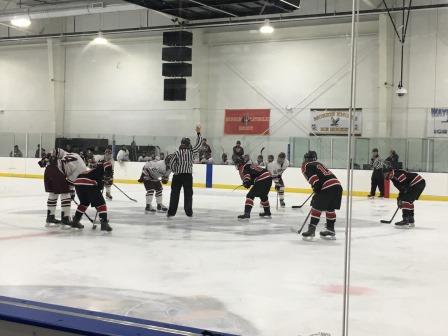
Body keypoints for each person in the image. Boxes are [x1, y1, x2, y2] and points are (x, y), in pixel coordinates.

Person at [301, 151, 343, 241]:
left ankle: (311, 230)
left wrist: (316, 187)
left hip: (326, 187)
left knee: (316, 207)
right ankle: (330, 229)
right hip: (337, 186)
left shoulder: (306, 165)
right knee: (330, 209)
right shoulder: (319, 163)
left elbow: (314, 178)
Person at [167, 125, 203, 218]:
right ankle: (188, 212)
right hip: (187, 176)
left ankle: (171, 212)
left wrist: (175, 171)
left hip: (177, 176)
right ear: (188, 144)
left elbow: (171, 164)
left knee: (174, 194)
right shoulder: (192, 152)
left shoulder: (177, 153)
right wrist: (198, 133)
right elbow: (199, 144)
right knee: (188, 194)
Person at [383, 163, 425, 228]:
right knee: (408, 200)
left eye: (386, 174)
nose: (385, 176)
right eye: (384, 175)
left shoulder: (398, 174)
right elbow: (402, 189)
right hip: (416, 184)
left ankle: (405, 220)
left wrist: (400, 199)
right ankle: (411, 219)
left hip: (417, 183)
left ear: (390, 172)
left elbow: (405, 188)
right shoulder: (393, 179)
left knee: (405, 200)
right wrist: (399, 198)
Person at [38, 153, 73, 228]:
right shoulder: (65, 155)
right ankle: (65, 218)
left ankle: (50, 217)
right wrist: (72, 191)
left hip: (48, 171)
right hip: (56, 171)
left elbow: (41, 164)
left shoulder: (53, 153)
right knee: (65, 193)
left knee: (53, 194)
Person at [234, 156, 272, 220]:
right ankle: (267, 212)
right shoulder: (249, 165)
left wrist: (246, 181)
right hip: (268, 178)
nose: (236, 165)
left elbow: (247, 175)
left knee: (250, 195)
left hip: (262, 179)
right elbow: (253, 175)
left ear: (239, 164)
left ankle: (247, 214)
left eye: (236, 164)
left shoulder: (244, 167)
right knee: (263, 195)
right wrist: (248, 183)